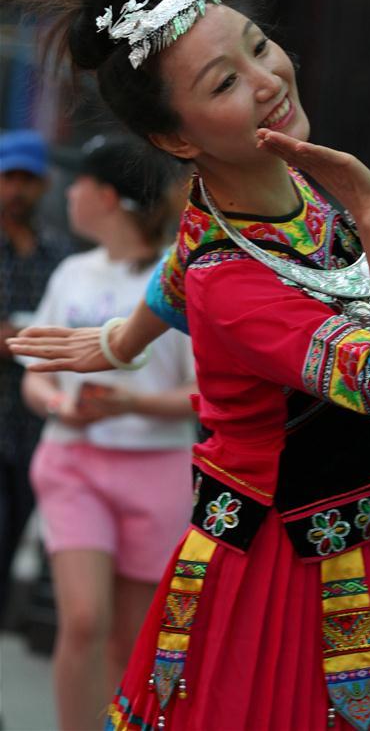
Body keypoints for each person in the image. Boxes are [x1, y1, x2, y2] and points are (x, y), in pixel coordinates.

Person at [9, 0, 370, 731]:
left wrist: (119, 340)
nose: (267, 80)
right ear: (178, 141)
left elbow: (174, 272)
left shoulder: (246, 194)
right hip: (285, 568)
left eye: (257, 47)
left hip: (348, 529)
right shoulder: (241, 278)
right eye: (223, 83)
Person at [19, 133, 197, 731]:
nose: (67, 194)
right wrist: (55, 404)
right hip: (73, 462)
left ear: (107, 196)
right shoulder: (71, 272)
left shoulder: (181, 277)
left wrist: (131, 404)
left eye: (80, 184)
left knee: (132, 641)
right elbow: (35, 375)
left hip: (159, 473)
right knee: (84, 621)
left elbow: (207, 395)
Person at [0, 129, 73, 620]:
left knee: (10, 539)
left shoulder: (57, 254)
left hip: (31, 422)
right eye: (10, 178)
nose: (18, 189)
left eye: (28, 179)